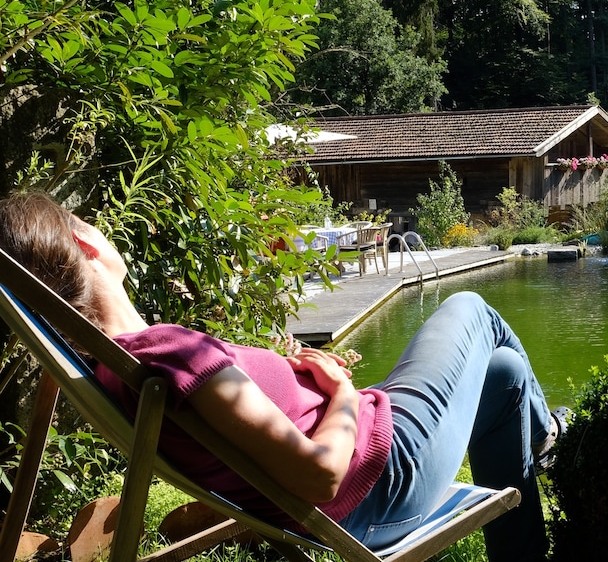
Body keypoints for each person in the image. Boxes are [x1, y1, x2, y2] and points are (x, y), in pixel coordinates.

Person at [0, 191, 566, 561]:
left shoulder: (111, 368)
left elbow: (244, 428)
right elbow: (320, 476)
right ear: (84, 243)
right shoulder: (167, 353)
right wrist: (339, 390)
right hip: (383, 480)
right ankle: (552, 440)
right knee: (469, 307)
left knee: (504, 373)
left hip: (363, 479)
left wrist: (289, 378)